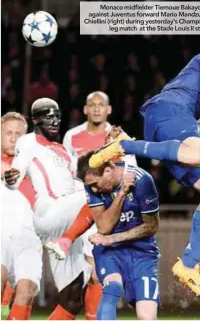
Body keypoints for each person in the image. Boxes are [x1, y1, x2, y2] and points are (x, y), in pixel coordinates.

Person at [88, 37, 200, 299]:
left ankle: (187, 263)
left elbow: (195, 129)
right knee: (196, 154)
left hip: (170, 122)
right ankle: (125, 146)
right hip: (167, 110)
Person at [4, 98, 91, 320]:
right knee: (100, 193)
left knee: (73, 298)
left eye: (58, 116)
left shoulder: (62, 150)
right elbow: (15, 175)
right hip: (48, 213)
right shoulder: (28, 142)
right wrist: (11, 178)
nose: (55, 121)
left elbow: (79, 182)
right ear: (35, 120)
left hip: (62, 220)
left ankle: (70, 242)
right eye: (48, 116)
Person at [46, 152, 160, 320]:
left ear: (107, 171)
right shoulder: (91, 186)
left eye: (95, 184)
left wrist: (112, 238)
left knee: (146, 316)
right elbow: (104, 227)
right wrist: (121, 194)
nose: (93, 189)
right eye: (89, 186)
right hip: (109, 250)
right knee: (112, 287)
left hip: (142, 252)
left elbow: (151, 226)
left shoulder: (142, 180)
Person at [62, 90, 137, 320]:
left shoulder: (118, 137)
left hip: (108, 210)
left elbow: (131, 168)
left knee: (98, 273)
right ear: (85, 109)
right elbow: (66, 173)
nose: (96, 109)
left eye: (101, 105)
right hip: (80, 210)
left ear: (109, 109)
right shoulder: (72, 136)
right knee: (82, 276)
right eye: (92, 105)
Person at [1, 112, 42, 320]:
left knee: (26, 292)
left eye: (19, 133)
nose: (13, 138)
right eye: (8, 132)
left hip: (28, 239)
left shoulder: (37, 165)